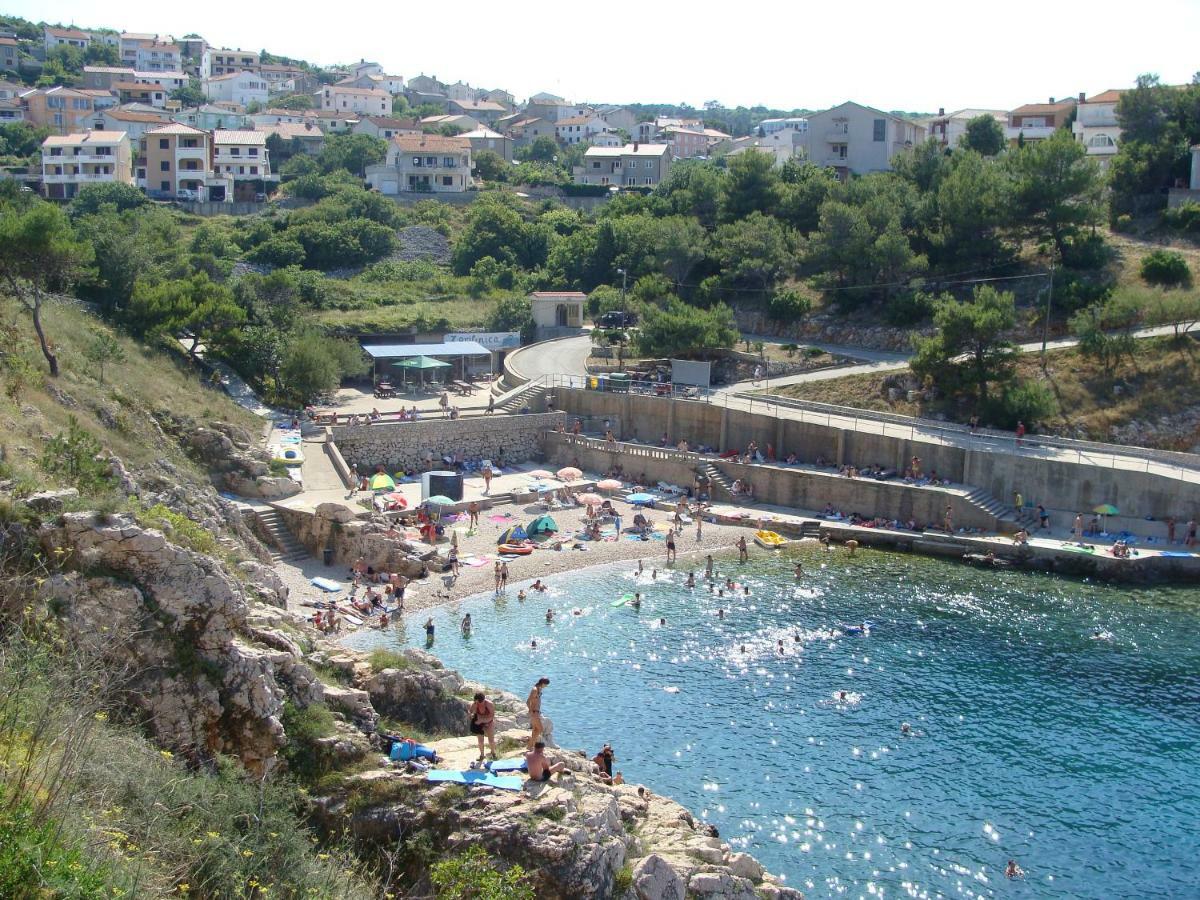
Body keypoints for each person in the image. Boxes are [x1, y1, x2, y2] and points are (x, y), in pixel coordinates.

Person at [469, 692, 497, 760]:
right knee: (480, 741)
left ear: (484, 700)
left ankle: (493, 753)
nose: (479, 703)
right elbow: (470, 711)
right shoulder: (475, 704)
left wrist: (482, 720)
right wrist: (471, 715)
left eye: (480, 702)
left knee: (491, 740)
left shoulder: (489, 704)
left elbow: (492, 716)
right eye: (477, 702)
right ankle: (482, 755)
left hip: (489, 722)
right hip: (479, 724)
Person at [526, 677, 550, 749]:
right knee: (540, 729)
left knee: (535, 730)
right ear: (543, 683)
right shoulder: (535, 690)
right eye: (546, 685)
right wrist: (531, 711)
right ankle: (530, 745)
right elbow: (528, 701)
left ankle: (531, 746)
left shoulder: (539, 689)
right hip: (534, 712)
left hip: (537, 712)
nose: (546, 686)